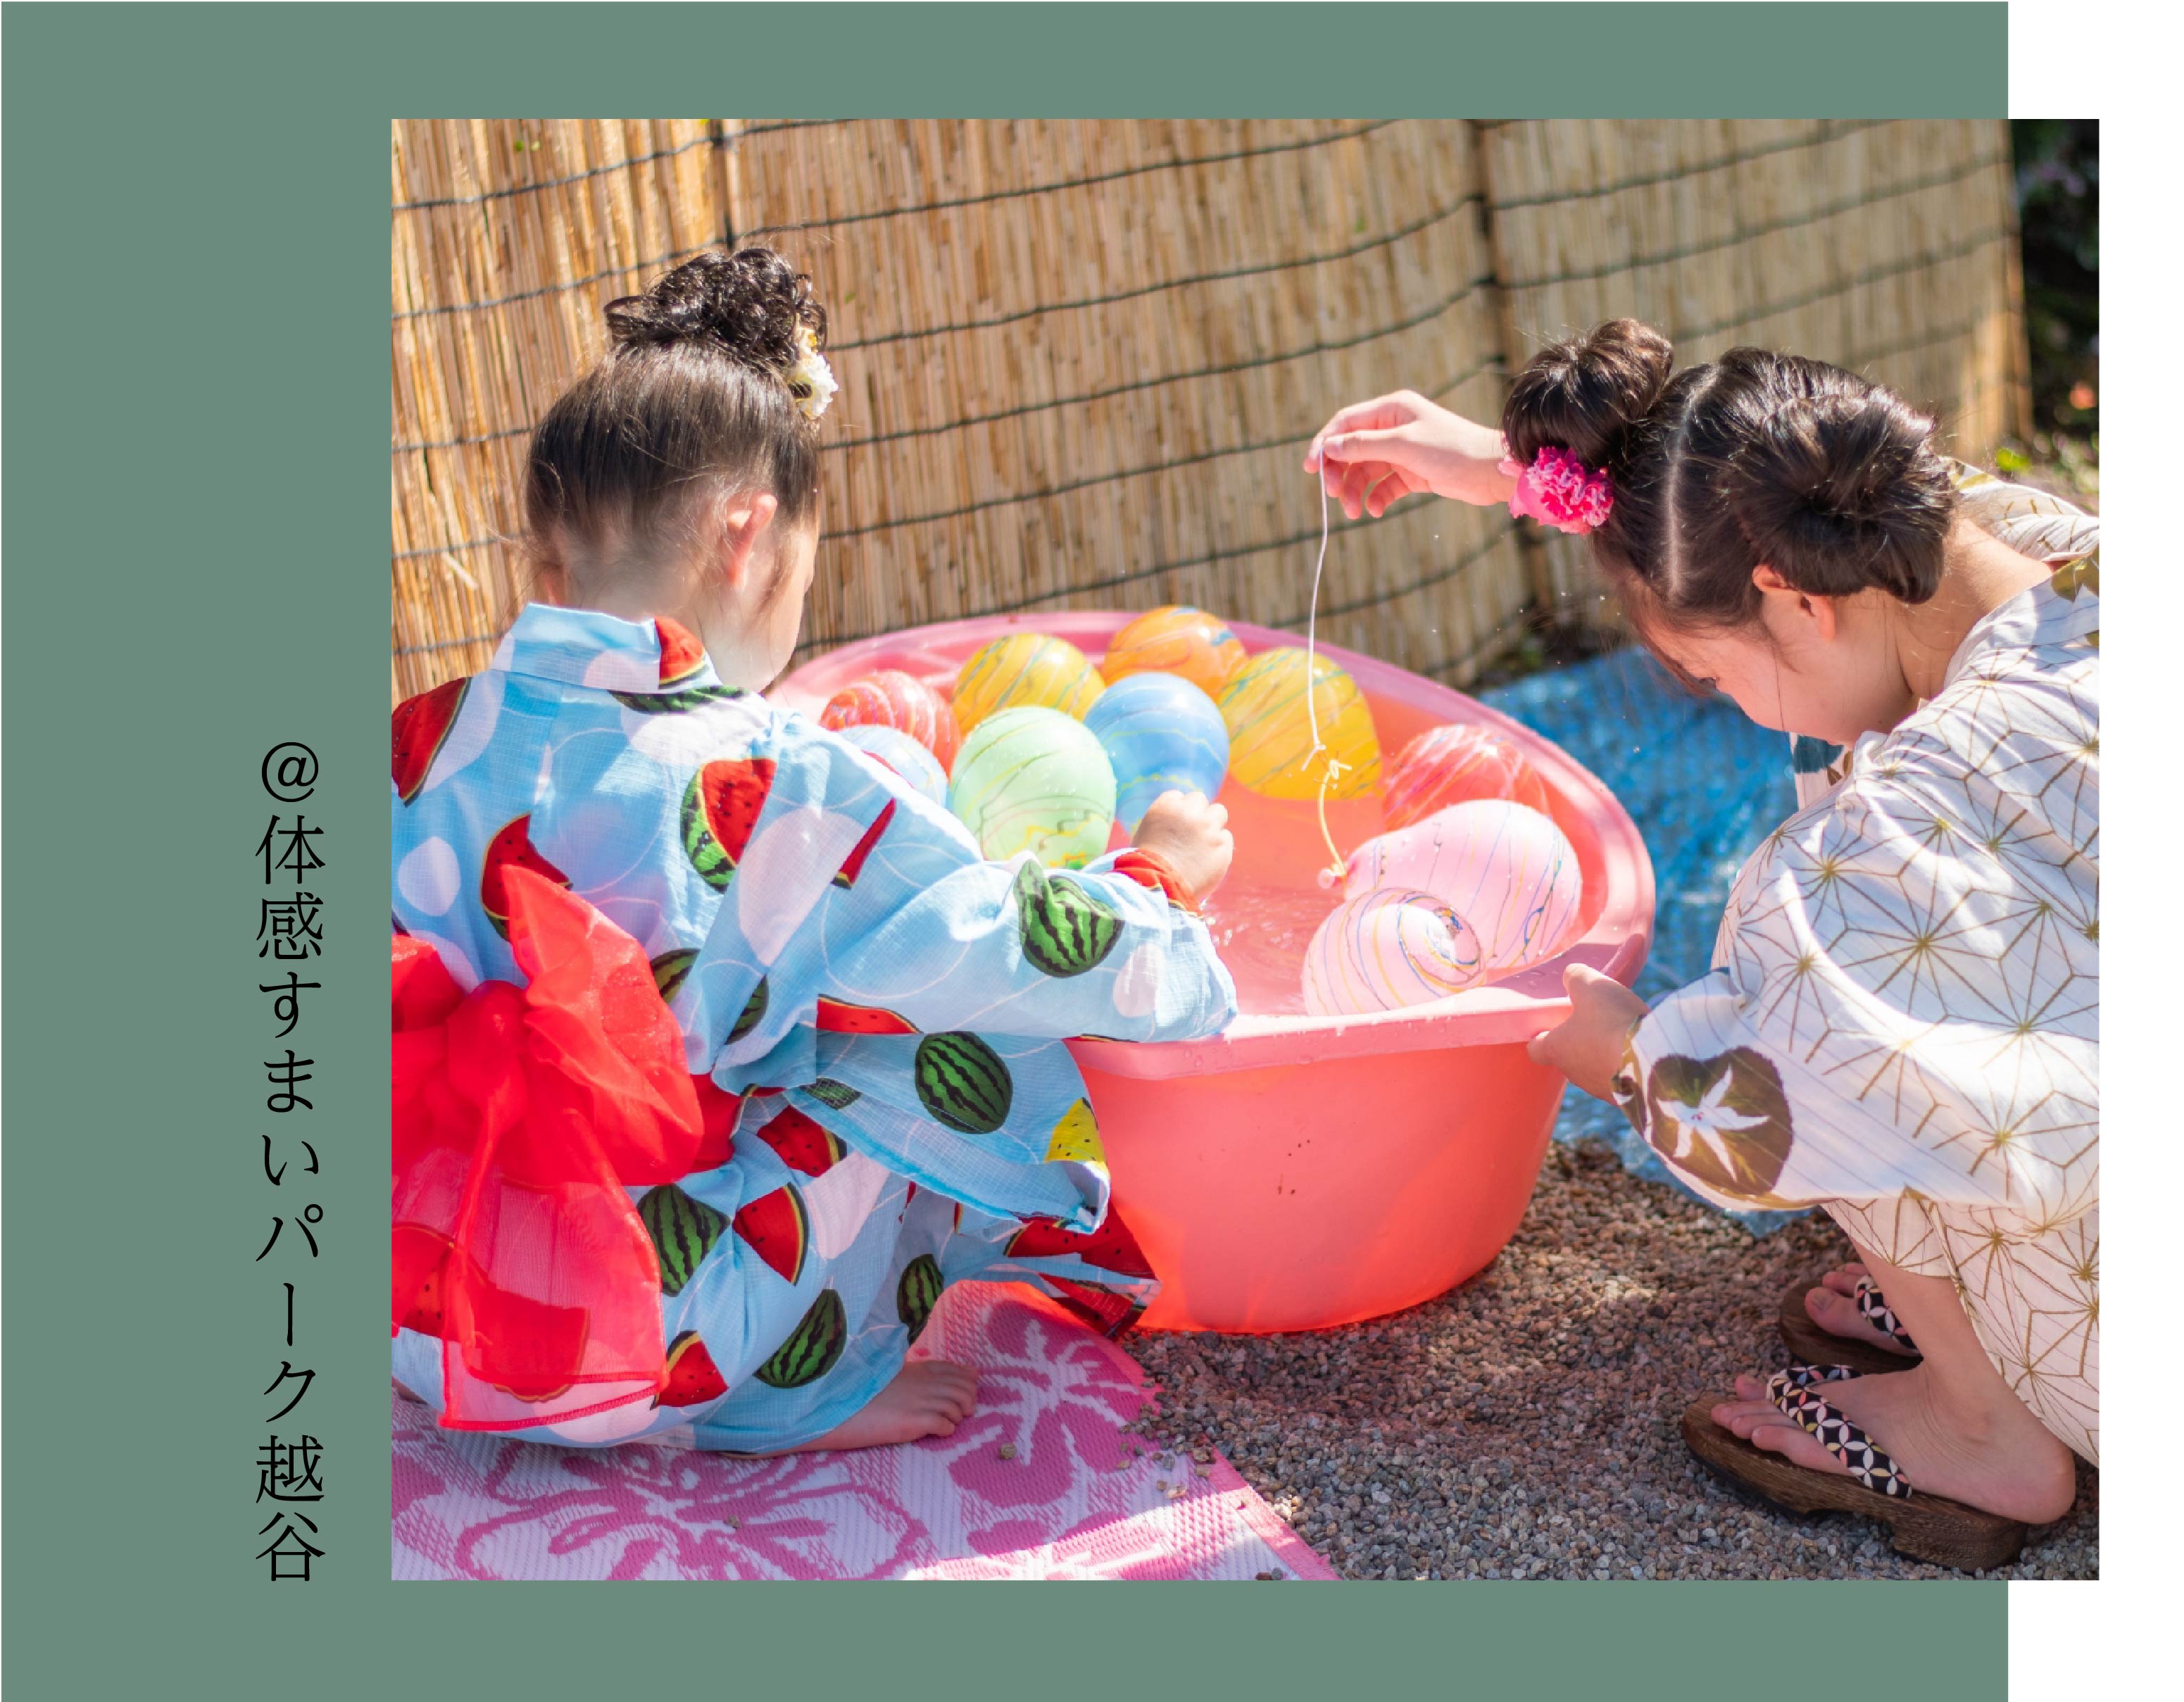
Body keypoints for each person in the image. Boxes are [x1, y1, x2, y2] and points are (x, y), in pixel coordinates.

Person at [391, 249, 1238, 1455]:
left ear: (546, 570)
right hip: (652, 1341)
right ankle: (795, 1392)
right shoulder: (768, 777)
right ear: (750, 539)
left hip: (429, 1321)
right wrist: (1155, 882)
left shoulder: (418, 740)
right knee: (938, 1012)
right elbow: (993, 936)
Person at [1307, 321, 2097, 1534]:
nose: (1731, 704)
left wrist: (1597, 1033)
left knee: (1822, 1018)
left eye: (1714, 675)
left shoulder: (1887, 848)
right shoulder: (2051, 561)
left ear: (1793, 598)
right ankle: (1987, 1299)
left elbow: (1752, 1114)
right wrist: (1510, 467)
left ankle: (1988, 1423)